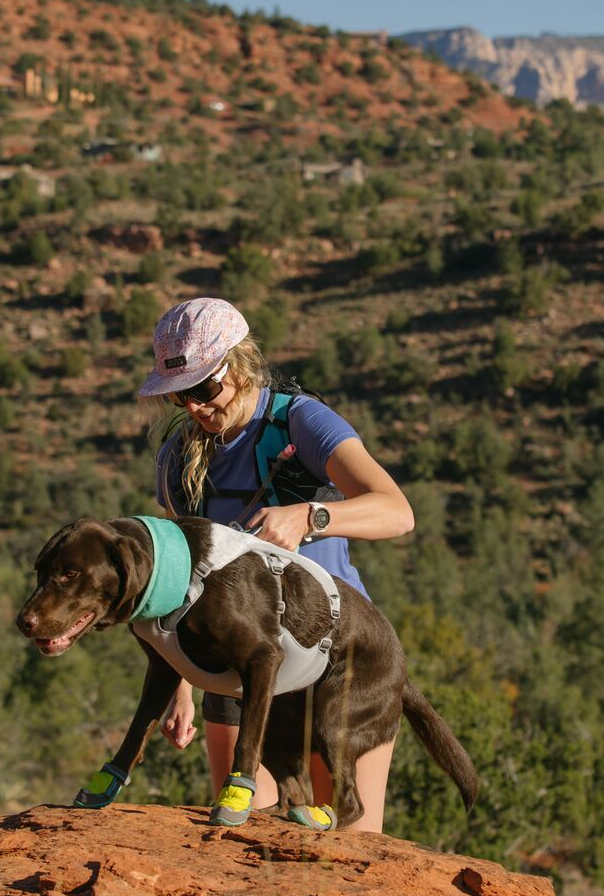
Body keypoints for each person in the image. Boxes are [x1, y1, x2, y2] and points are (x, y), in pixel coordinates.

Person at [136, 296, 413, 832]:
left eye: (203, 388)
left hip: (339, 656)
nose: (193, 407)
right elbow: (180, 581)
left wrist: (310, 516)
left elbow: (397, 512)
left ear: (239, 366)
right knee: (245, 835)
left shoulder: (300, 421)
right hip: (235, 666)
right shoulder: (177, 458)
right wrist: (182, 684)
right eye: (179, 396)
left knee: (352, 844)